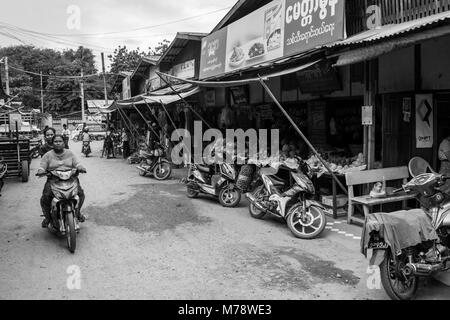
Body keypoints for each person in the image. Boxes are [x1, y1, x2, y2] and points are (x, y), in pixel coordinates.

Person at [38, 135, 86, 228]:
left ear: (64, 143)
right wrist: (41, 171)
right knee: (45, 197)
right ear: (52, 143)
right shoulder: (47, 155)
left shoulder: (70, 153)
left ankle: (78, 212)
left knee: (80, 194)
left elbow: (77, 163)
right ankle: (47, 218)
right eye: (56, 141)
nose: (58, 143)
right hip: (53, 180)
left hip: (71, 179)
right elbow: (42, 165)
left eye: (60, 141)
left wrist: (81, 167)